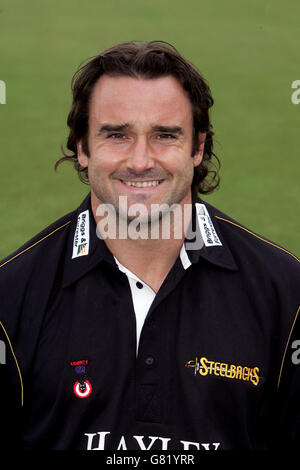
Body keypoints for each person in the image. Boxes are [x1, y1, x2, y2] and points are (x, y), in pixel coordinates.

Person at [0, 40, 299, 451]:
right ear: (83, 149)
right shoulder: (11, 294)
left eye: (164, 135)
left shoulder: (285, 292)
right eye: (117, 135)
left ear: (197, 148)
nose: (140, 160)